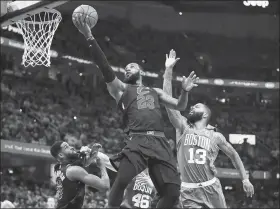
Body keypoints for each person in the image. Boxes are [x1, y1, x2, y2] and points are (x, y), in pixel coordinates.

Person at [72, 15, 198, 208]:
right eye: (125, 69)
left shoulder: (155, 91)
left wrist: (184, 90)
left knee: (172, 193)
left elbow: (180, 106)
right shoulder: (121, 88)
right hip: (137, 140)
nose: (127, 69)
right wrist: (89, 37)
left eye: (131, 67)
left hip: (160, 141)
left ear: (141, 72)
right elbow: (104, 66)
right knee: (121, 181)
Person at [162, 50, 255, 208]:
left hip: (211, 188)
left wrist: (245, 179)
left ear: (205, 114)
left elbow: (234, 155)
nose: (191, 107)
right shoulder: (183, 126)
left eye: (196, 106)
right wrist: (168, 70)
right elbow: (168, 102)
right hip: (188, 192)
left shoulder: (216, 136)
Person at [50, 141, 110, 209]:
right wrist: (102, 167)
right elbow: (105, 186)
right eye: (66, 147)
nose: (72, 147)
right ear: (61, 155)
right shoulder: (73, 170)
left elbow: (82, 163)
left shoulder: (61, 168)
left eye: (69, 145)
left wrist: (91, 156)